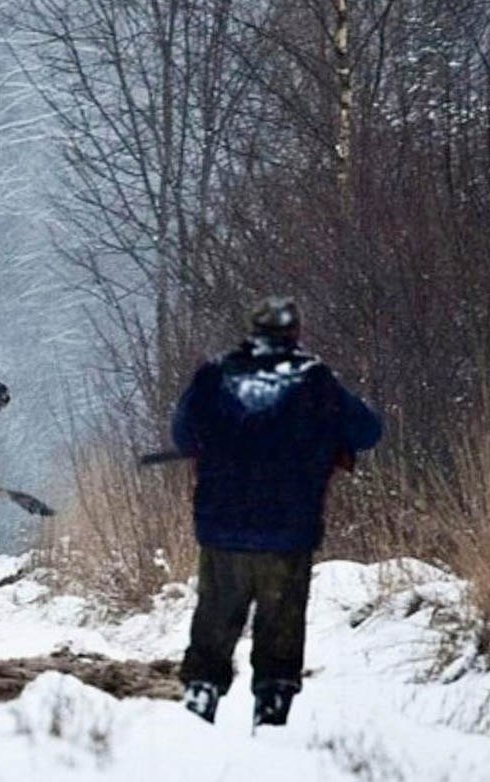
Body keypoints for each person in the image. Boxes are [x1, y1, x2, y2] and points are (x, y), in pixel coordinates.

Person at [172, 296, 381, 727]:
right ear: (294, 333)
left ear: (252, 330)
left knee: (215, 619)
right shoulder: (315, 380)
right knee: (280, 628)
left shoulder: (215, 377)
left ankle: (200, 701)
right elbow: (367, 430)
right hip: (288, 530)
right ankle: (271, 715)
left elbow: (181, 434)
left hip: (223, 527)